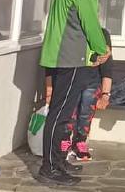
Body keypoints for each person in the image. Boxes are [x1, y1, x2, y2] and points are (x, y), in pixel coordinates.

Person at [38, 0, 117, 186]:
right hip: (71, 56)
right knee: (61, 114)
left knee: (60, 112)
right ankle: (50, 168)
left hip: (62, 53)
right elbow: (89, 20)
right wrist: (101, 47)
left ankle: (58, 163)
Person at [44, 28, 114, 163]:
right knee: (69, 112)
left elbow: (107, 66)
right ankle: (64, 140)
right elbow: (50, 65)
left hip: (91, 82)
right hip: (69, 80)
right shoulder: (66, 32)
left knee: (85, 113)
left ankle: (80, 142)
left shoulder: (102, 34)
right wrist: (49, 90)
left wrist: (105, 94)